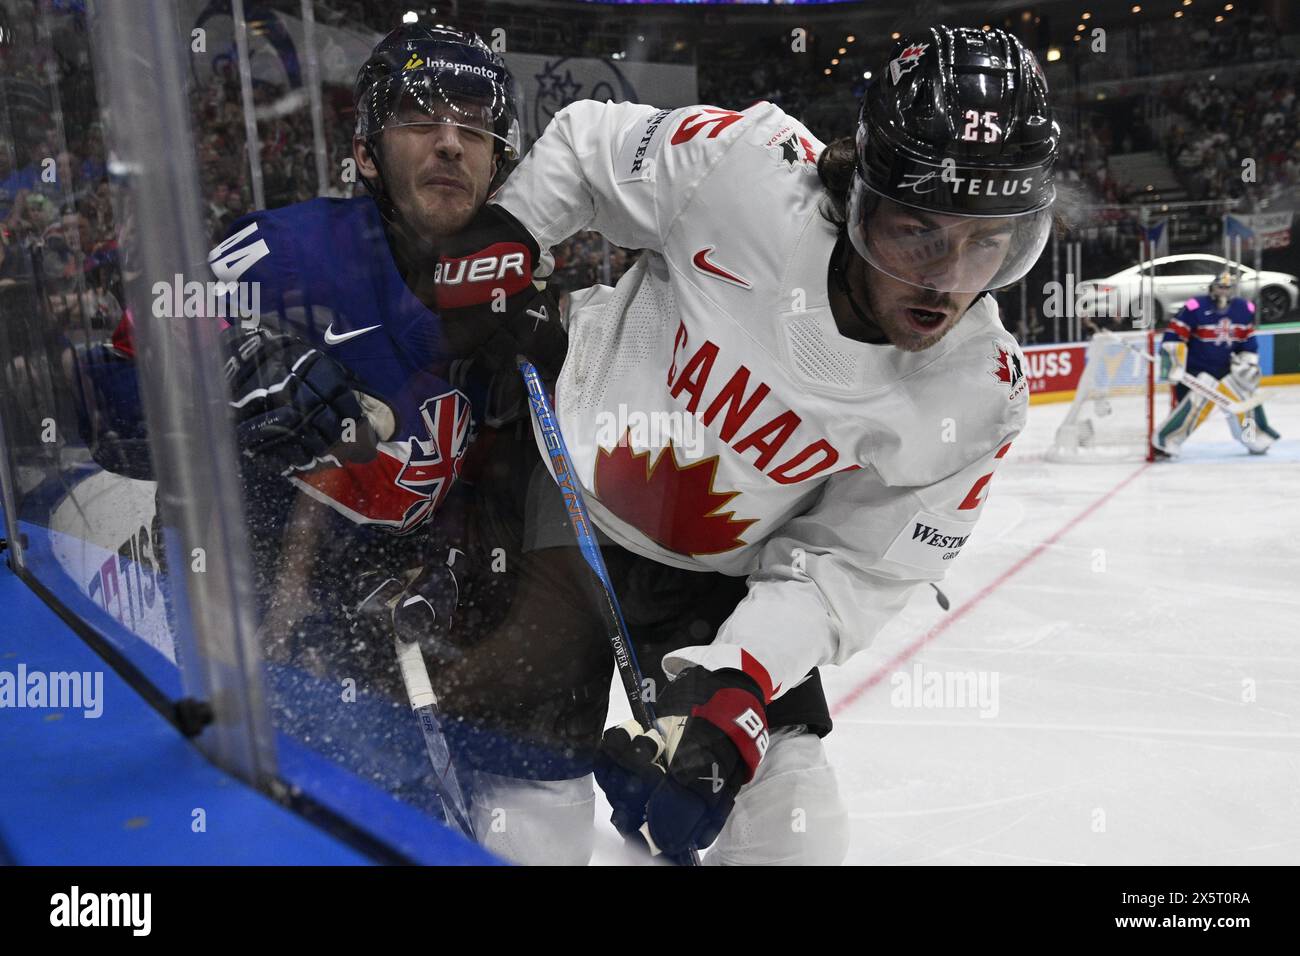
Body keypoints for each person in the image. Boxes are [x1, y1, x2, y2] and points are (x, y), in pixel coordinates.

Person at [454, 24, 1055, 863]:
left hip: (715, 578)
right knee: (532, 834)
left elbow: (852, 568)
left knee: (798, 839)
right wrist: (506, 243)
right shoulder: (745, 166)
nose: (944, 281)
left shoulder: (979, 393)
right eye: (916, 231)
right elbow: (591, 148)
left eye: (988, 244)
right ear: (857, 197)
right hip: (550, 494)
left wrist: (742, 673)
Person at [70, 23, 591, 861]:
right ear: (369, 153)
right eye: (421, 118)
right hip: (256, 640)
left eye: (473, 122)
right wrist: (231, 374)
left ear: (503, 160)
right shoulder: (287, 254)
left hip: (390, 637)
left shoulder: (508, 294)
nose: (451, 141)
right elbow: (104, 398)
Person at [1152, 269, 1279, 457]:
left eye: (1228, 287)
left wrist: (1247, 366)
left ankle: (1255, 439)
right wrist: (1174, 363)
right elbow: (1174, 335)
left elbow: (1247, 344)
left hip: (1225, 369)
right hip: (1197, 370)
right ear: (1212, 287)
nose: (1224, 291)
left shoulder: (1243, 309)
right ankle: (1165, 443)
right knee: (1195, 407)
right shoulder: (1195, 307)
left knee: (1244, 403)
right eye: (1220, 286)